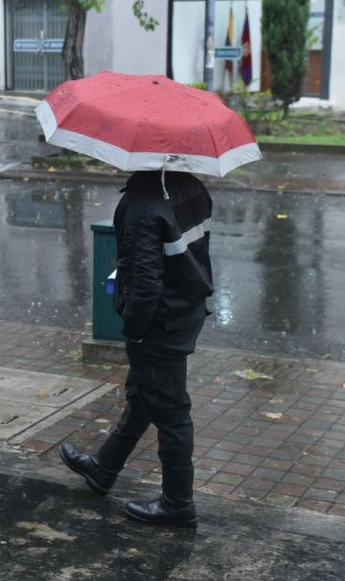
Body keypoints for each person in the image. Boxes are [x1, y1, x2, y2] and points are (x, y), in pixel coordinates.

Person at [60, 169, 214, 528]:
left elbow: (145, 278)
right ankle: (104, 468)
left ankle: (178, 503)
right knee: (145, 393)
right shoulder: (191, 185)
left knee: (171, 411)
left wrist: (136, 329)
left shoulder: (144, 201)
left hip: (160, 322)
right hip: (186, 308)